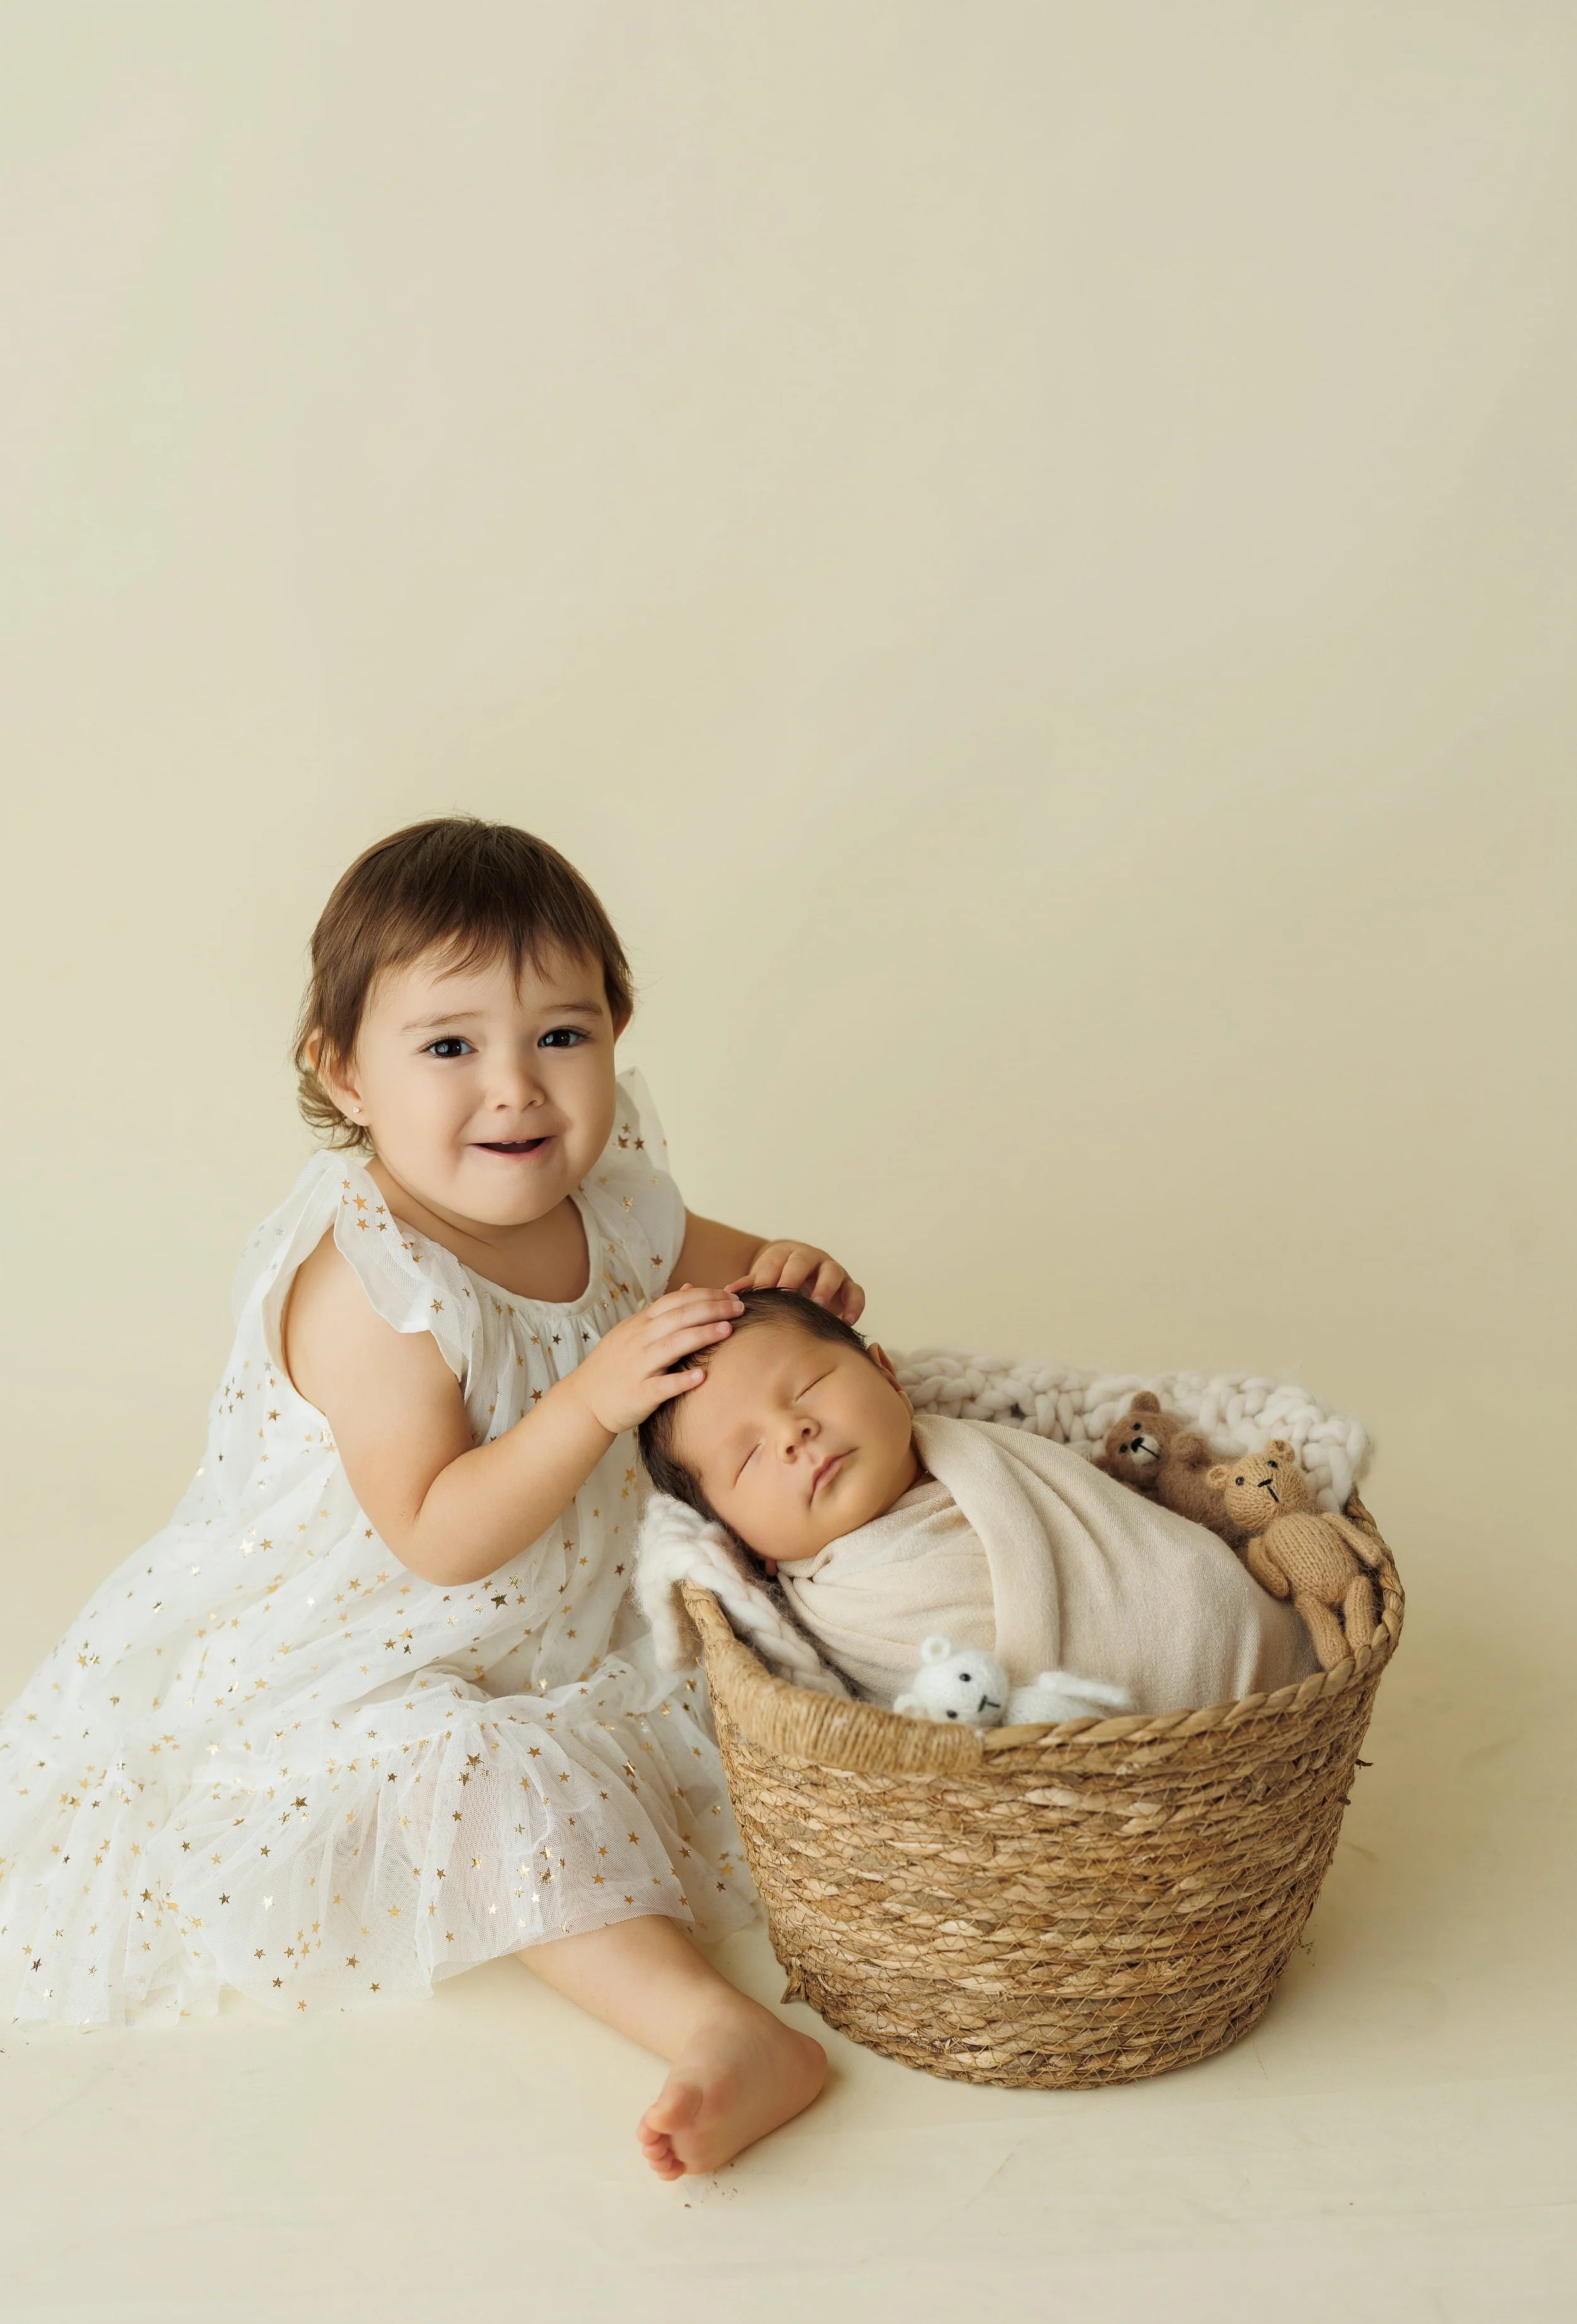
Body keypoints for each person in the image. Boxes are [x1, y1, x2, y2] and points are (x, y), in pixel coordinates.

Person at [0, 817, 853, 2180]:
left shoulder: (617, 1203)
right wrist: (589, 1403)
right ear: (343, 1073)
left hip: (576, 1610)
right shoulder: (374, 1284)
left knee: (787, 1648)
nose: (514, 1089)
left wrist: (794, 1273)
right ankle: (715, 2029)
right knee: (478, 1776)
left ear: (615, 1037)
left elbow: (734, 1273)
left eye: (560, 1038)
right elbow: (436, 1535)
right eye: (449, 1047)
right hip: (373, 1647)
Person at [639, 1290, 1316, 1715]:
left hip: (1241, 1642)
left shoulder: (987, 1451)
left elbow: (1115, 1523)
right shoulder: (835, 1612)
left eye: (810, 1385)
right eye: (749, 1456)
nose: (792, 1434)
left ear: (886, 1376)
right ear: (738, 1540)